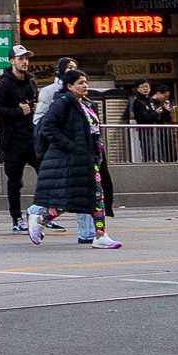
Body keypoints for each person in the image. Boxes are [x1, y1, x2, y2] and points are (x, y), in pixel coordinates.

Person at [29, 63, 118, 246]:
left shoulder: (87, 104)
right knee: (71, 199)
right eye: (80, 83)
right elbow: (48, 127)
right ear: (69, 86)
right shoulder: (63, 103)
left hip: (90, 158)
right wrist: (70, 146)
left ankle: (100, 235)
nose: (85, 86)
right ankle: (41, 220)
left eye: (86, 82)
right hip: (73, 160)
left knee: (95, 197)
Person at [0, 68, 40, 236]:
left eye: (26, 58)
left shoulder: (30, 82)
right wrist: (17, 111)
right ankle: (17, 218)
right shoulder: (4, 85)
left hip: (31, 138)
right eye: (20, 58)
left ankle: (41, 214)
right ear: (12, 61)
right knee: (15, 182)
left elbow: (34, 102)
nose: (24, 62)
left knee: (46, 174)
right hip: (12, 141)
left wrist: (34, 107)